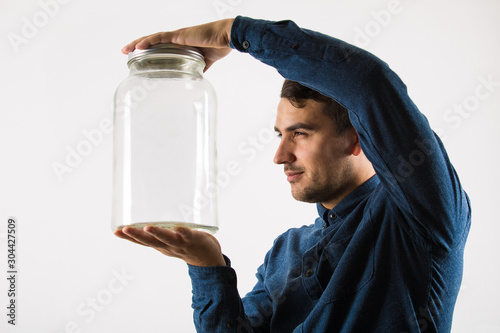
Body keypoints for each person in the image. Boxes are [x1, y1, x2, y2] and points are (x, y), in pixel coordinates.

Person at [114, 16, 471, 332]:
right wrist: (206, 264)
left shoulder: (420, 216)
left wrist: (232, 33)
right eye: (280, 135)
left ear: (357, 137)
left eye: (300, 133)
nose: (280, 156)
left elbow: (369, 84)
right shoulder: (286, 252)